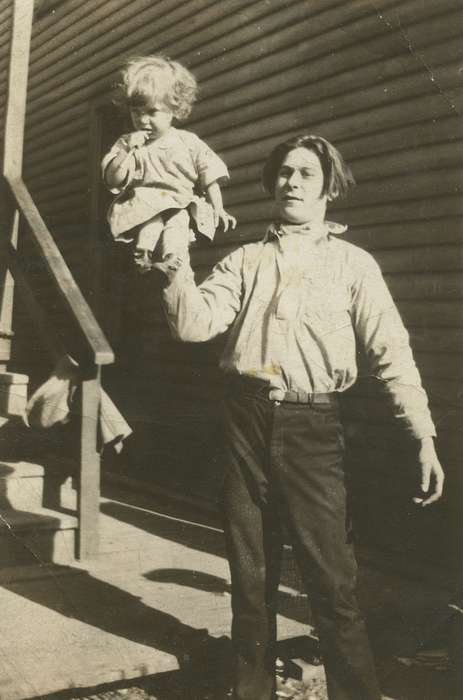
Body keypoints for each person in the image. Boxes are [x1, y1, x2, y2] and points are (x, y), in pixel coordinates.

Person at [161, 134, 445, 700]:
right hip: (243, 422)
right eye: (284, 173)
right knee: (251, 578)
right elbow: (194, 325)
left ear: (329, 188)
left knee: (331, 581)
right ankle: (253, 691)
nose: (291, 182)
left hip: (313, 428)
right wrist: (174, 268)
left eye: (306, 174)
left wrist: (423, 435)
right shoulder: (247, 258)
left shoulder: (352, 265)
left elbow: (392, 351)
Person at [102, 54, 236, 274]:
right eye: (137, 112)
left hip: (179, 202)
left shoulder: (187, 141)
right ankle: (142, 254)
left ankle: (171, 259)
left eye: (152, 112)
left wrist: (219, 208)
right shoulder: (127, 143)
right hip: (145, 205)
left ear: (174, 109)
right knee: (150, 219)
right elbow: (112, 179)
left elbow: (209, 174)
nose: (143, 120)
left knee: (178, 222)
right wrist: (126, 152)